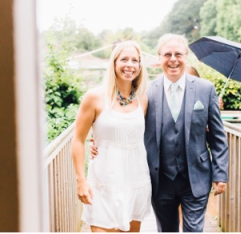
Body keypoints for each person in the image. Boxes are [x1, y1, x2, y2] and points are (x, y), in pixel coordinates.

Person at [91, 34, 229, 232]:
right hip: (160, 179)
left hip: (196, 177)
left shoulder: (205, 89)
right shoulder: (145, 92)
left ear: (186, 56)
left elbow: (217, 136)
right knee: (166, 229)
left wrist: (220, 174)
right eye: (167, 54)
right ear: (159, 58)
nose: (173, 59)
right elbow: (126, 123)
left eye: (178, 54)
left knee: (194, 230)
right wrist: (97, 142)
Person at [73, 41, 151, 232]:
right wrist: (81, 181)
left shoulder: (143, 99)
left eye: (135, 60)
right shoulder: (94, 97)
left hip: (135, 180)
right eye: (124, 59)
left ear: (140, 67)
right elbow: (77, 140)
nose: (130, 65)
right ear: (114, 63)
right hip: (103, 182)